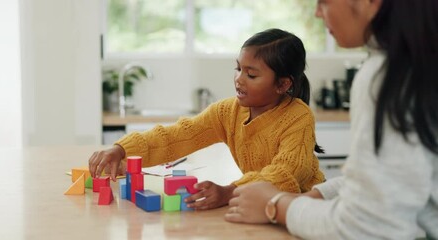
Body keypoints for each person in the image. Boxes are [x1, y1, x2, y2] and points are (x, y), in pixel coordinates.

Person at [224, 0, 438, 239]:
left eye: (324, 2)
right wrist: (313, 197)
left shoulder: (390, 78)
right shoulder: (416, 62)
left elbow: (367, 227)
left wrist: (276, 205)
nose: (317, 13)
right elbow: (384, 182)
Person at [88, 28, 325, 210]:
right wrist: (122, 149)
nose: (239, 79)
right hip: (259, 204)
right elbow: (176, 136)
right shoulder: (226, 112)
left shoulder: (298, 117)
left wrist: (230, 192)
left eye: (251, 74)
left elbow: (285, 173)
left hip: (304, 207)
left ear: (283, 84)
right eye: (238, 68)